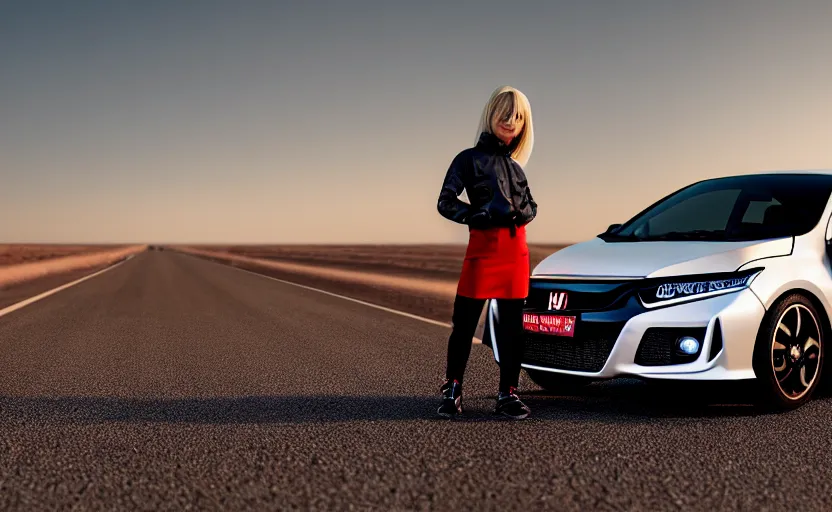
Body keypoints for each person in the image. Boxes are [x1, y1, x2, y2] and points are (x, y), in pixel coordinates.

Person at [435, 85, 538, 420]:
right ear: (490, 114)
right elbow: (445, 202)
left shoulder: (517, 169)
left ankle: (508, 393)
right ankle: (452, 389)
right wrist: (473, 215)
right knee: (464, 324)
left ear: (525, 125)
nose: (510, 121)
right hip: (483, 249)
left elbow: (532, 205)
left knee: (512, 328)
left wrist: (523, 214)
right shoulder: (467, 159)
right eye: (504, 113)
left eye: (518, 117)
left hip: (515, 252)